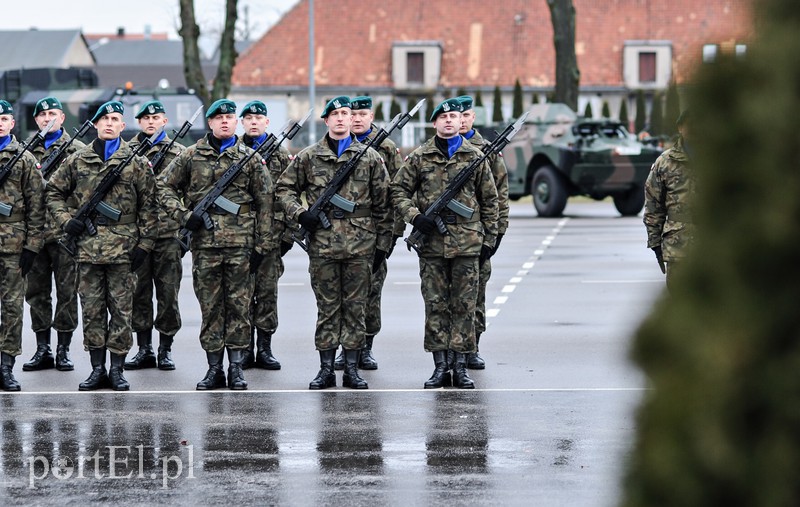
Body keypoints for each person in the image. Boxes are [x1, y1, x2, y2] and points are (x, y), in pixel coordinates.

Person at [157, 98, 274, 391]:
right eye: (218, 117)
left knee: (238, 307)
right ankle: (213, 369)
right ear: (209, 123)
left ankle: (235, 368)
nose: (224, 121)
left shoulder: (248, 158)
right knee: (210, 309)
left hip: (241, 245)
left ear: (236, 122)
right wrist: (184, 216)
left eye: (229, 117)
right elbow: (163, 186)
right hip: (205, 246)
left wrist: (263, 247)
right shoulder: (191, 156)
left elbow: (266, 204)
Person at [276, 96, 392, 390]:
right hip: (323, 246)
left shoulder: (369, 157)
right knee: (327, 307)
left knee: (355, 308)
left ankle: (352, 368)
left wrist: (382, 246)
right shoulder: (308, 157)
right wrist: (300, 214)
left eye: (345, 113)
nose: (341, 118)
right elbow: (284, 190)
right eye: (335, 114)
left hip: (360, 246)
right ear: (325, 121)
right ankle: (326, 369)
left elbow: (384, 206)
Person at [46, 100, 157, 391]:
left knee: (122, 310)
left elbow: (150, 207)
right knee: (93, 310)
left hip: (124, 250)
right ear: (95, 124)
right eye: (104, 118)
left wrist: (145, 245)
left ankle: (118, 370)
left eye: (115, 118)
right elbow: (53, 192)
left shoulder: (135, 162)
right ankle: (97, 369)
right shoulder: (78, 159)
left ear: (123, 126)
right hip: (88, 249)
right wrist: (66, 220)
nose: (109, 123)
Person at [391, 97, 499, 389]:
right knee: (436, 305)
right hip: (432, 244)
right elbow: (397, 191)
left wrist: (490, 239)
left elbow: (490, 201)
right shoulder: (419, 157)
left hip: (468, 243)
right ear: (435, 123)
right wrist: (415, 217)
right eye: (444, 117)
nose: (450, 120)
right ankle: (440, 367)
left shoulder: (475, 156)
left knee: (464, 305)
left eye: (454, 116)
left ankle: (461, 367)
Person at [331, 95, 405, 371]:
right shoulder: (339, 145)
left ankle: (366, 347)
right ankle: (344, 348)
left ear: (371, 117)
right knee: (340, 297)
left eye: (363, 114)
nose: (358, 118)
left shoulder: (385, 148)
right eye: (354, 114)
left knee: (371, 295)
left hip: (373, 235)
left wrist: (391, 237)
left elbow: (396, 193)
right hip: (339, 235)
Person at [22, 96, 84, 373]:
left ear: (62, 117)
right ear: (36, 120)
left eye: (53, 113)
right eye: (42, 115)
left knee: (68, 292)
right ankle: (42, 348)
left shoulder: (79, 150)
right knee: (37, 293)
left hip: (64, 234)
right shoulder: (24, 153)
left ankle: (63, 349)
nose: (48, 118)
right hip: (34, 233)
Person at [125, 100, 185, 372]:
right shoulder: (126, 151)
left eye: (156, 117)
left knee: (168, 293)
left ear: (164, 120)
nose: (151, 121)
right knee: (138, 293)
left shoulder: (180, 153)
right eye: (145, 117)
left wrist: (185, 230)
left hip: (167, 233)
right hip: (136, 235)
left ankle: (165, 348)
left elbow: (191, 193)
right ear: (139, 122)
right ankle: (144, 348)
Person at [238, 99, 292, 371]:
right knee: (242, 295)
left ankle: (265, 348)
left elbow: (288, 196)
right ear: (243, 123)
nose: (254, 122)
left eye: (259, 118)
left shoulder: (281, 155)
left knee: (267, 295)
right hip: (240, 237)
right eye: (248, 118)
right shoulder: (234, 152)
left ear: (267, 122)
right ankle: (245, 349)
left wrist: (286, 238)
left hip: (270, 238)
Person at [456, 95, 509, 370]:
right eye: (456, 116)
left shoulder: (488, 150)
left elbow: (500, 194)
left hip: (478, 234)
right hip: (446, 236)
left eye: (465, 115)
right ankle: (450, 351)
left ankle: (472, 346)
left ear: (473, 117)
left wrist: (497, 234)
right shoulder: (443, 150)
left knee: (476, 294)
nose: (461, 121)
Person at [0, 100, 45, 391]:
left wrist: (32, 245)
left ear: (12, 123)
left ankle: (5, 366)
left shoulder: (24, 158)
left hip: (13, 246)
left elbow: (37, 205)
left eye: (4, 118)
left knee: (12, 308)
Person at [644, 109, 694, 291]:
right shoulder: (665, 162)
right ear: (681, 128)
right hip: (677, 245)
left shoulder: (717, 160)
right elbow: (653, 205)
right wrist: (655, 243)